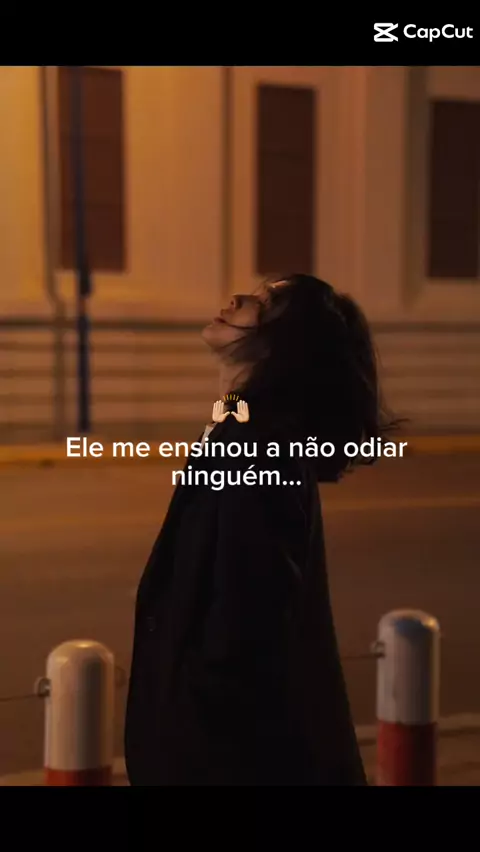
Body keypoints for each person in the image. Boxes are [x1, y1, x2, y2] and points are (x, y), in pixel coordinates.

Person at [124, 273, 397, 785]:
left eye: (265, 305)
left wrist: (190, 722)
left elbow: (247, 620)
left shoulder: (259, 444)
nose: (236, 299)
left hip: (226, 759)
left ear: (283, 344)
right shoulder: (242, 426)